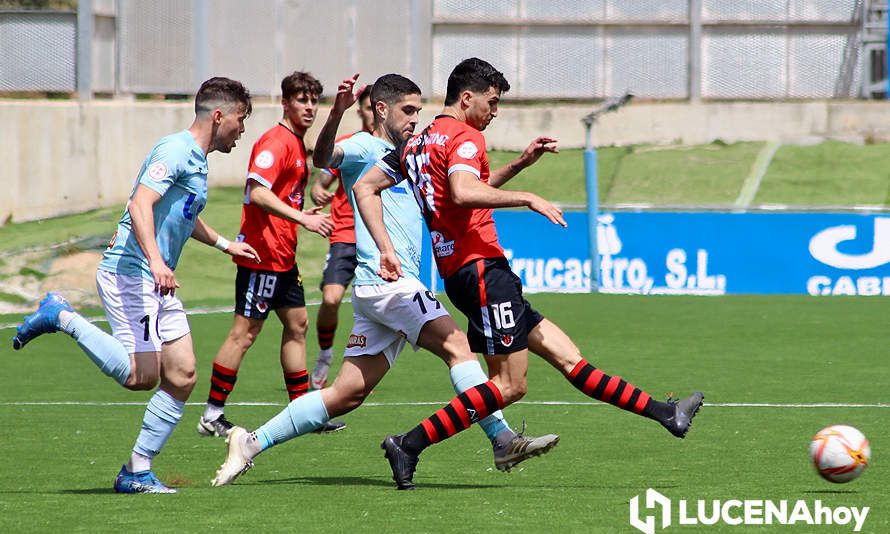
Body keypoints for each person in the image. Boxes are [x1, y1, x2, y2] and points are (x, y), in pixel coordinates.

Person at [354, 57, 704, 489]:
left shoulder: (420, 143)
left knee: (570, 360)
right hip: (482, 271)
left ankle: (666, 414)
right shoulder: (464, 136)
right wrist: (528, 197)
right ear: (467, 98)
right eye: (492, 102)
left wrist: (518, 165)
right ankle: (408, 444)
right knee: (510, 385)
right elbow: (464, 192)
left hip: (469, 273)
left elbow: (367, 187)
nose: (495, 112)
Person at [211, 73, 558, 487]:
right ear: (381, 109)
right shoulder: (363, 147)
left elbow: (462, 191)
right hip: (388, 281)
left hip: (382, 292)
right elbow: (323, 158)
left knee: (345, 394)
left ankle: (249, 443)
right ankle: (501, 438)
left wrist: (519, 164)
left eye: (417, 110)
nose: (414, 119)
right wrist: (337, 111)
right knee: (457, 346)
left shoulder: (411, 154)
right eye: (407, 111)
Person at [12, 77, 259, 493]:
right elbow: (139, 203)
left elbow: (182, 213)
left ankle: (136, 470)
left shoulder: (196, 159)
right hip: (132, 272)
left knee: (181, 375)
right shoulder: (175, 149)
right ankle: (62, 316)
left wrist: (224, 244)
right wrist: (158, 262)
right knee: (140, 376)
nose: (242, 129)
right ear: (219, 115)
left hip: (156, 280)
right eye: (241, 119)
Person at [196, 71, 346, 438]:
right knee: (243, 335)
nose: (309, 107)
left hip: (283, 258)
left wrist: (301, 214)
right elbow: (256, 192)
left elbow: (283, 196)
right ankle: (212, 415)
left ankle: (304, 413)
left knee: (298, 324)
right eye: (302, 100)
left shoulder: (296, 143)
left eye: (314, 100)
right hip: (260, 256)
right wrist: (302, 219)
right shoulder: (275, 143)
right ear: (285, 102)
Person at [308, 85, 374, 390]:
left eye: (378, 106)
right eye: (369, 107)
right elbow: (321, 182)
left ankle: (367, 366)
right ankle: (324, 355)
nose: (374, 113)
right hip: (346, 234)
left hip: (378, 238)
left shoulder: (394, 149)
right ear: (360, 110)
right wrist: (318, 191)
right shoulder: (348, 146)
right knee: (332, 299)